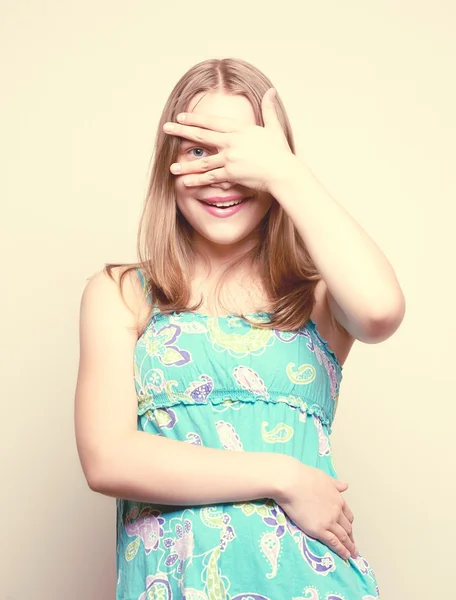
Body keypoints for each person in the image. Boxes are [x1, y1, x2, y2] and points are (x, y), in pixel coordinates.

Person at [75, 57, 405, 599]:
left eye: (240, 151)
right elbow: (108, 457)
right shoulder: (121, 294)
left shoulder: (317, 295)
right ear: (168, 166)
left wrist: (286, 172)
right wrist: (284, 475)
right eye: (199, 151)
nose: (220, 174)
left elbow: (380, 313)